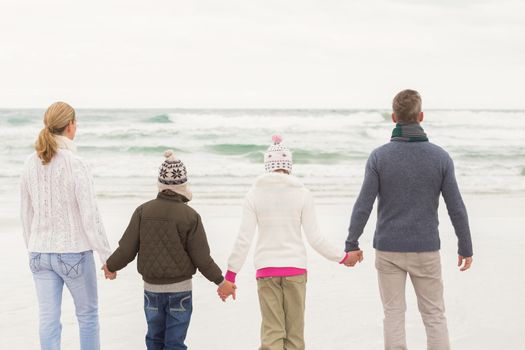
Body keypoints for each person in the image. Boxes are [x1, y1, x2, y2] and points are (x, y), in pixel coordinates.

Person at [343, 89, 474, 350]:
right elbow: (456, 207)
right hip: (425, 249)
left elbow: (363, 205)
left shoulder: (379, 157)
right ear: (421, 116)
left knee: (393, 315)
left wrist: (352, 243)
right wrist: (465, 247)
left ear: (394, 117)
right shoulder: (440, 157)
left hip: (389, 249)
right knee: (434, 315)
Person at [218, 135, 355, 350]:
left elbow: (243, 239)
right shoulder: (302, 193)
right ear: (289, 166)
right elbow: (315, 238)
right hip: (296, 271)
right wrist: (343, 257)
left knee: (272, 333)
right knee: (295, 336)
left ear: (267, 166)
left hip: (266, 272)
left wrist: (230, 276)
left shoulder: (253, 195)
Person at [103, 150, 232, 350]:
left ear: (160, 184)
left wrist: (111, 266)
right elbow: (202, 258)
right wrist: (221, 282)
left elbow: (127, 248)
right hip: (180, 290)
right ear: (183, 185)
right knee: (175, 343)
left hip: (151, 290)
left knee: (154, 339)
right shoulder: (191, 216)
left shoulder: (142, 211)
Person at [20, 102, 112, 350]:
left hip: (39, 254)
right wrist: (107, 257)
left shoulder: (30, 162)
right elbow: (90, 216)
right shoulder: (75, 163)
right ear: (71, 126)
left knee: (48, 321)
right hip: (73, 253)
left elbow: (25, 213)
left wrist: (33, 246)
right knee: (88, 317)